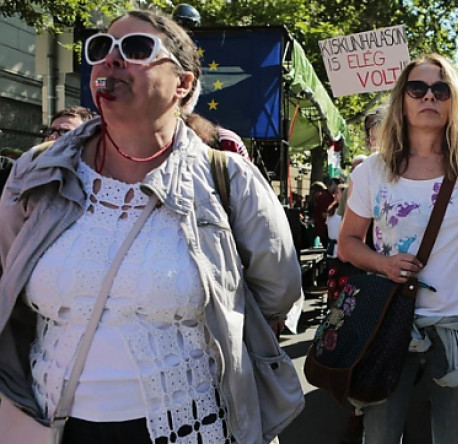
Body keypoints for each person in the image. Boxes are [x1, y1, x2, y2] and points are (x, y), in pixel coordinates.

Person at [0, 10, 302, 444]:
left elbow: (277, 291)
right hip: (50, 423)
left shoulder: (229, 179)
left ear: (183, 83)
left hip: (188, 426)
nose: (111, 60)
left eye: (137, 49)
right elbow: (11, 270)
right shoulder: (38, 172)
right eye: (102, 48)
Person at [338, 53, 458, 444]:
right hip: (388, 320)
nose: (429, 96)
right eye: (418, 88)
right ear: (402, 99)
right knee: (380, 435)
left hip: (457, 324)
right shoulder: (371, 171)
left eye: (440, 89)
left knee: (453, 437)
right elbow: (347, 243)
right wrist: (384, 263)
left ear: (452, 101)